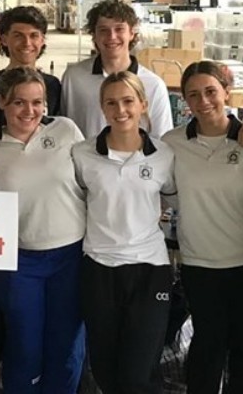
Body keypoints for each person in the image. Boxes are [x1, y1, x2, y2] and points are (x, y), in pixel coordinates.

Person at [0, 66, 86, 394]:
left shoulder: (66, 130)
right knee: (24, 343)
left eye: (37, 102)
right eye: (19, 102)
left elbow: (92, 178)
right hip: (19, 261)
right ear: (1, 102)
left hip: (70, 256)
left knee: (66, 344)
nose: (29, 110)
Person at [161, 61, 243, 393]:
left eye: (211, 91)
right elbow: (167, 196)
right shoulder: (172, 143)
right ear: (185, 101)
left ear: (227, 92)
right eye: (193, 94)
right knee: (207, 349)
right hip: (200, 264)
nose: (203, 101)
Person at [72, 71, 177, 393]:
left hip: (149, 269)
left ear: (143, 104)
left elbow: (172, 200)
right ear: (102, 107)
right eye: (111, 103)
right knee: (106, 371)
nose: (120, 110)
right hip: (99, 268)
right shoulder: (82, 154)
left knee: (138, 374)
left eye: (128, 101)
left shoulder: (164, 155)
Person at [61, 0, 172, 139]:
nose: (112, 37)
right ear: (94, 35)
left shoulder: (153, 85)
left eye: (119, 29)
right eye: (103, 30)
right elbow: (63, 130)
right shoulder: (74, 78)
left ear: (131, 33)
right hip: (84, 153)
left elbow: (161, 139)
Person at [0, 6, 62, 137]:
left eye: (34, 36)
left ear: (42, 40)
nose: (27, 43)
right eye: (18, 36)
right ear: (4, 40)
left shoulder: (53, 85)